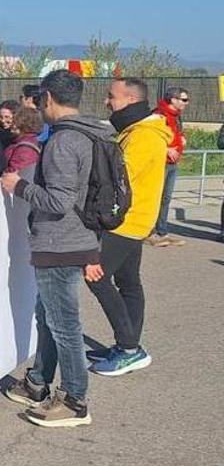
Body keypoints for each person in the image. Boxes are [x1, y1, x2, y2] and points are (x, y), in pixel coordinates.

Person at [0, 69, 109, 428]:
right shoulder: (95, 132)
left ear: (47, 98)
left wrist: (19, 187)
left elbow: (59, 200)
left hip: (60, 242)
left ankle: (75, 399)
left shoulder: (63, 142)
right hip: (79, 238)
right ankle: (37, 382)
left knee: (63, 325)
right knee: (49, 317)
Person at [84, 78, 169, 375]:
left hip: (125, 221)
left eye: (112, 97)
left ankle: (130, 346)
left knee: (95, 277)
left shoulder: (144, 135)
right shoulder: (136, 131)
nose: (107, 102)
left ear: (131, 100)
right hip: (134, 220)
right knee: (129, 282)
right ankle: (127, 346)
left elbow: (118, 178)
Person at [149, 86, 189, 247]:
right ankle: (149, 232)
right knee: (155, 197)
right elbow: (149, 138)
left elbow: (176, 133)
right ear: (173, 100)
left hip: (173, 163)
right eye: (184, 99)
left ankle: (162, 231)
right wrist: (165, 149)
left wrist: (182, 139)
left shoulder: (177, 117)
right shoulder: (158, 115)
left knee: (166, 198)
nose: (187, 103)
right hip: (160, 162)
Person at [1, 105, 44, 176]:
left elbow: (16, 174)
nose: (12, 124)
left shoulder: (25, 149)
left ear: (24, 124)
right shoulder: (20, 141)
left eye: (15, 122)